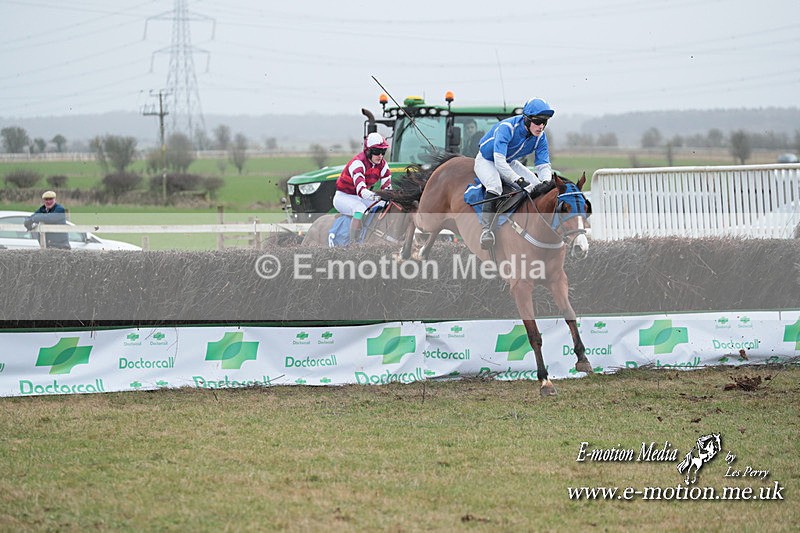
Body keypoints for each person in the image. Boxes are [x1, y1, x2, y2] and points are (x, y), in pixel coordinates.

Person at [474, 97, 555, 249]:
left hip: (509, 161)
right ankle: (486, 230)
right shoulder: (507, 128)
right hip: (487, 160)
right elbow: (499, 162)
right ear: (526, 119)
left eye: (545, 122)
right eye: (538, 121)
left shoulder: (541, 137)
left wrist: (546, 181)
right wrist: (518, 180)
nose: (541, 126)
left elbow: (543, 165)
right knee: (495, 186)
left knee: (538, 187)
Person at [333, 132, 392, 243]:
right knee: (359, 209)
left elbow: (387, 189)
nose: (380, 156)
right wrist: (379, 196)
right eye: (377, 152)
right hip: (343, 197)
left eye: (383, 152)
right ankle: (353, 244)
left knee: (385, 206)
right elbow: (362, 192)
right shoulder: (358, 163)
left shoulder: (383, 165)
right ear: (368, 151)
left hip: (361, 198)